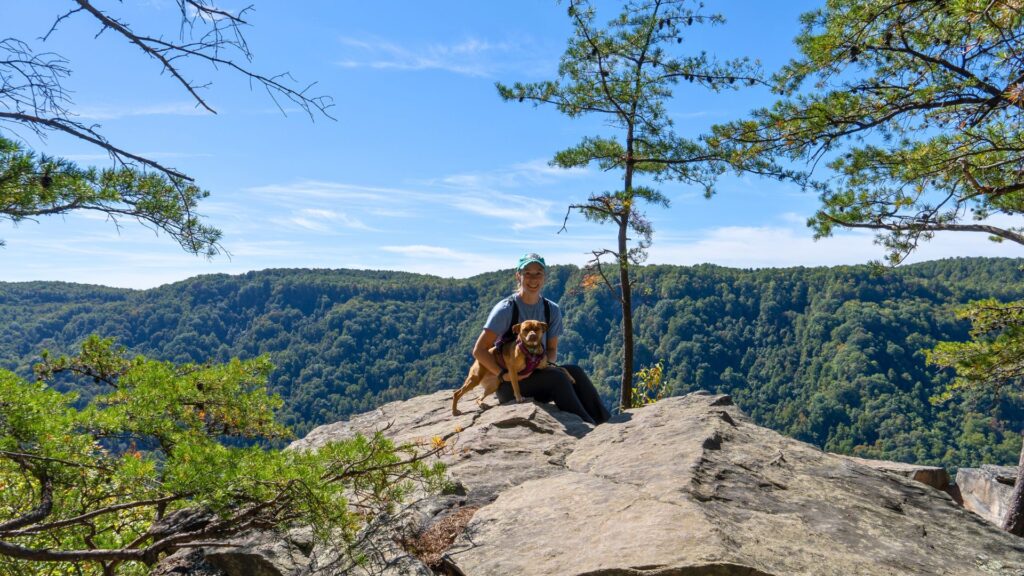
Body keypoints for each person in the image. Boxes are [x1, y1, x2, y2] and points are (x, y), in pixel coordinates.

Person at [471, 253, 610, 425]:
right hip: (509, 385)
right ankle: (588, 427)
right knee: (557, 378)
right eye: (527, 273)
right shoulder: (506, 309)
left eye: (538, 273)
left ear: (544, 277)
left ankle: (604, 422)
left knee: (574, 371)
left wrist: (543, 365)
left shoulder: (551, 309)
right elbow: (479, 351)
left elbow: (551, 350)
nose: (533, 278)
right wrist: (502, 375)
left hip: (535, 373)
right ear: (518, 276)